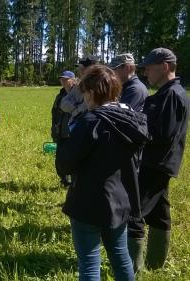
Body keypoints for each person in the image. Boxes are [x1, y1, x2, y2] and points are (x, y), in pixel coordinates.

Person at [56, 65, 149, 281]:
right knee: (120, 256)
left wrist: (66, 139)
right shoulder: (133, 120)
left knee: (89, 262)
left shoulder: (90, 122)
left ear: (91, 92)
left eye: (85, 92)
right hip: (121, 200)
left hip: (88, 202)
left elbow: (64, 165)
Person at [128, 48, 189, 272]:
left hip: (156, 163)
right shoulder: (168, 93)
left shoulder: (172, 95)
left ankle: (130, 269)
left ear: (164, 67)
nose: (146, 74)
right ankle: (155, 264)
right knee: (159, 212)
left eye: (149, 69)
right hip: (161, 163)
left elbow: (163, 134)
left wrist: (135, 129)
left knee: (134, 213)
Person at [51, 70, 76, 186]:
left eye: (66, 79)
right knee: (60, 159)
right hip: (61, 131)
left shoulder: (79, 94)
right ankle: (64, 180)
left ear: (73, 80)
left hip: (75, 132)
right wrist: (54, 129)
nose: (63, 81)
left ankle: (75, 181)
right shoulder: (60, 95)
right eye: (62, 79)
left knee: (74, 157)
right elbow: (54, 113)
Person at [59, 55, 99, 123]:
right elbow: (63, 103)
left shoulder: (102, 86)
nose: (80, 71)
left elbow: (92, 106)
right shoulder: (79, 86)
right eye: (79, 68)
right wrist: (76, 107)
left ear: (92, 68)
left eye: (82, 68)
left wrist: (76, 110)